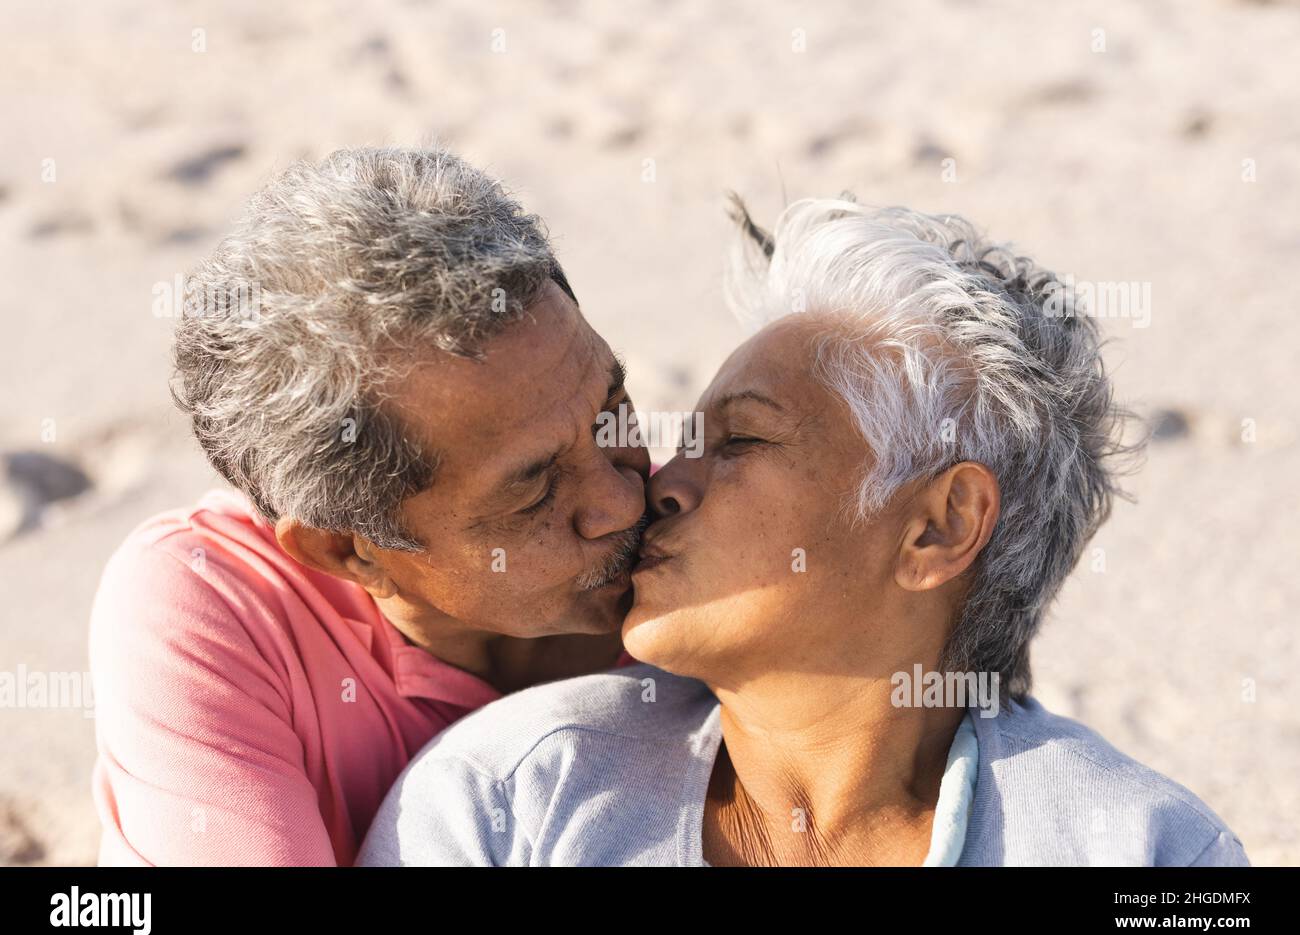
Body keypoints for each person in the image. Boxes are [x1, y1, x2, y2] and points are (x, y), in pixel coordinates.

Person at [358, 198, 1249, 866]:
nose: (659, 487)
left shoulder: (1145, 853)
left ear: (938, 527)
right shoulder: (510, 796)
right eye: (686, 444)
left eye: (739, 439)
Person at [89, 147, 649, 865]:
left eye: (612, 411)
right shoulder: (216, 606)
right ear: (346, 550)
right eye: (535, 486)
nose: (624, 497)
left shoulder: (714, 540)